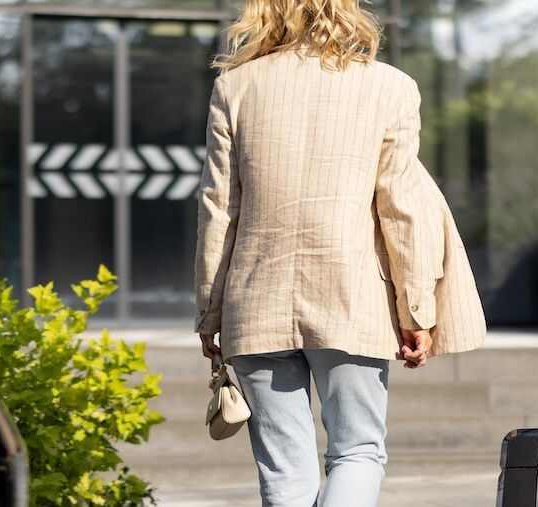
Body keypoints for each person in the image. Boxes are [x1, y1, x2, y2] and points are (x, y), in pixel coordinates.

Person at [190, 0, 457, 503]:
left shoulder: (236, 87)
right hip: (351, 297)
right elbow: (401, 209)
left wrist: (210, 310)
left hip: (256, 300)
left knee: (284, 469)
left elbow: (219, 208)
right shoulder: (391, 87)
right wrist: (415, 308)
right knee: (357, 451)